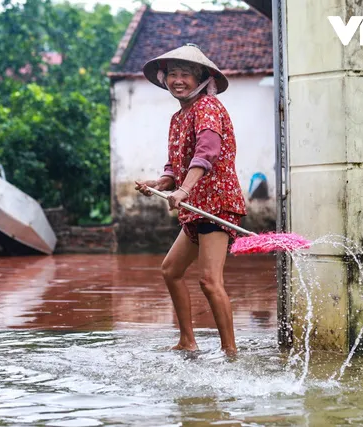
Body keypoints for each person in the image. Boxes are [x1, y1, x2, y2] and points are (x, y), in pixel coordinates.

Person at [135, 44, 247, 356]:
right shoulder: (179, 117)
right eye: (172, 74)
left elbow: (206, 153)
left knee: (210, 281)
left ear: (200, 79)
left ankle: (230, 352)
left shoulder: (208, 107)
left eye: (185, 74)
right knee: (171, 270)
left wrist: (183, 191)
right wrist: (159, 183)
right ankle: (187, 340)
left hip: (216, 203)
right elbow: (176, 164)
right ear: (164, 78)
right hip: (194, 207)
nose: (177, 80)